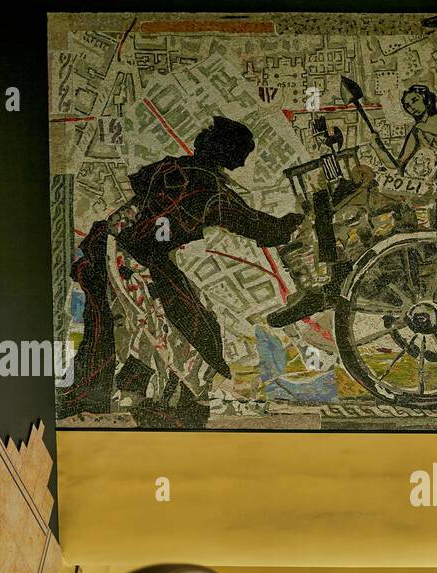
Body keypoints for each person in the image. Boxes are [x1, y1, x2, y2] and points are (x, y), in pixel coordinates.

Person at [62, 115, 304, 426]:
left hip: (112, 246)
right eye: (243, 152)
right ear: (227, 151)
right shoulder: (210, 189)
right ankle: (177, 406)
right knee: (187, 328)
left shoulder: (174, 167)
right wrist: (292, 223)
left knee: (147, 326)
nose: (244, 162)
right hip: (130, 260)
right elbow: (257, 226)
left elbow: (141, 205)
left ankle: (139, 395)